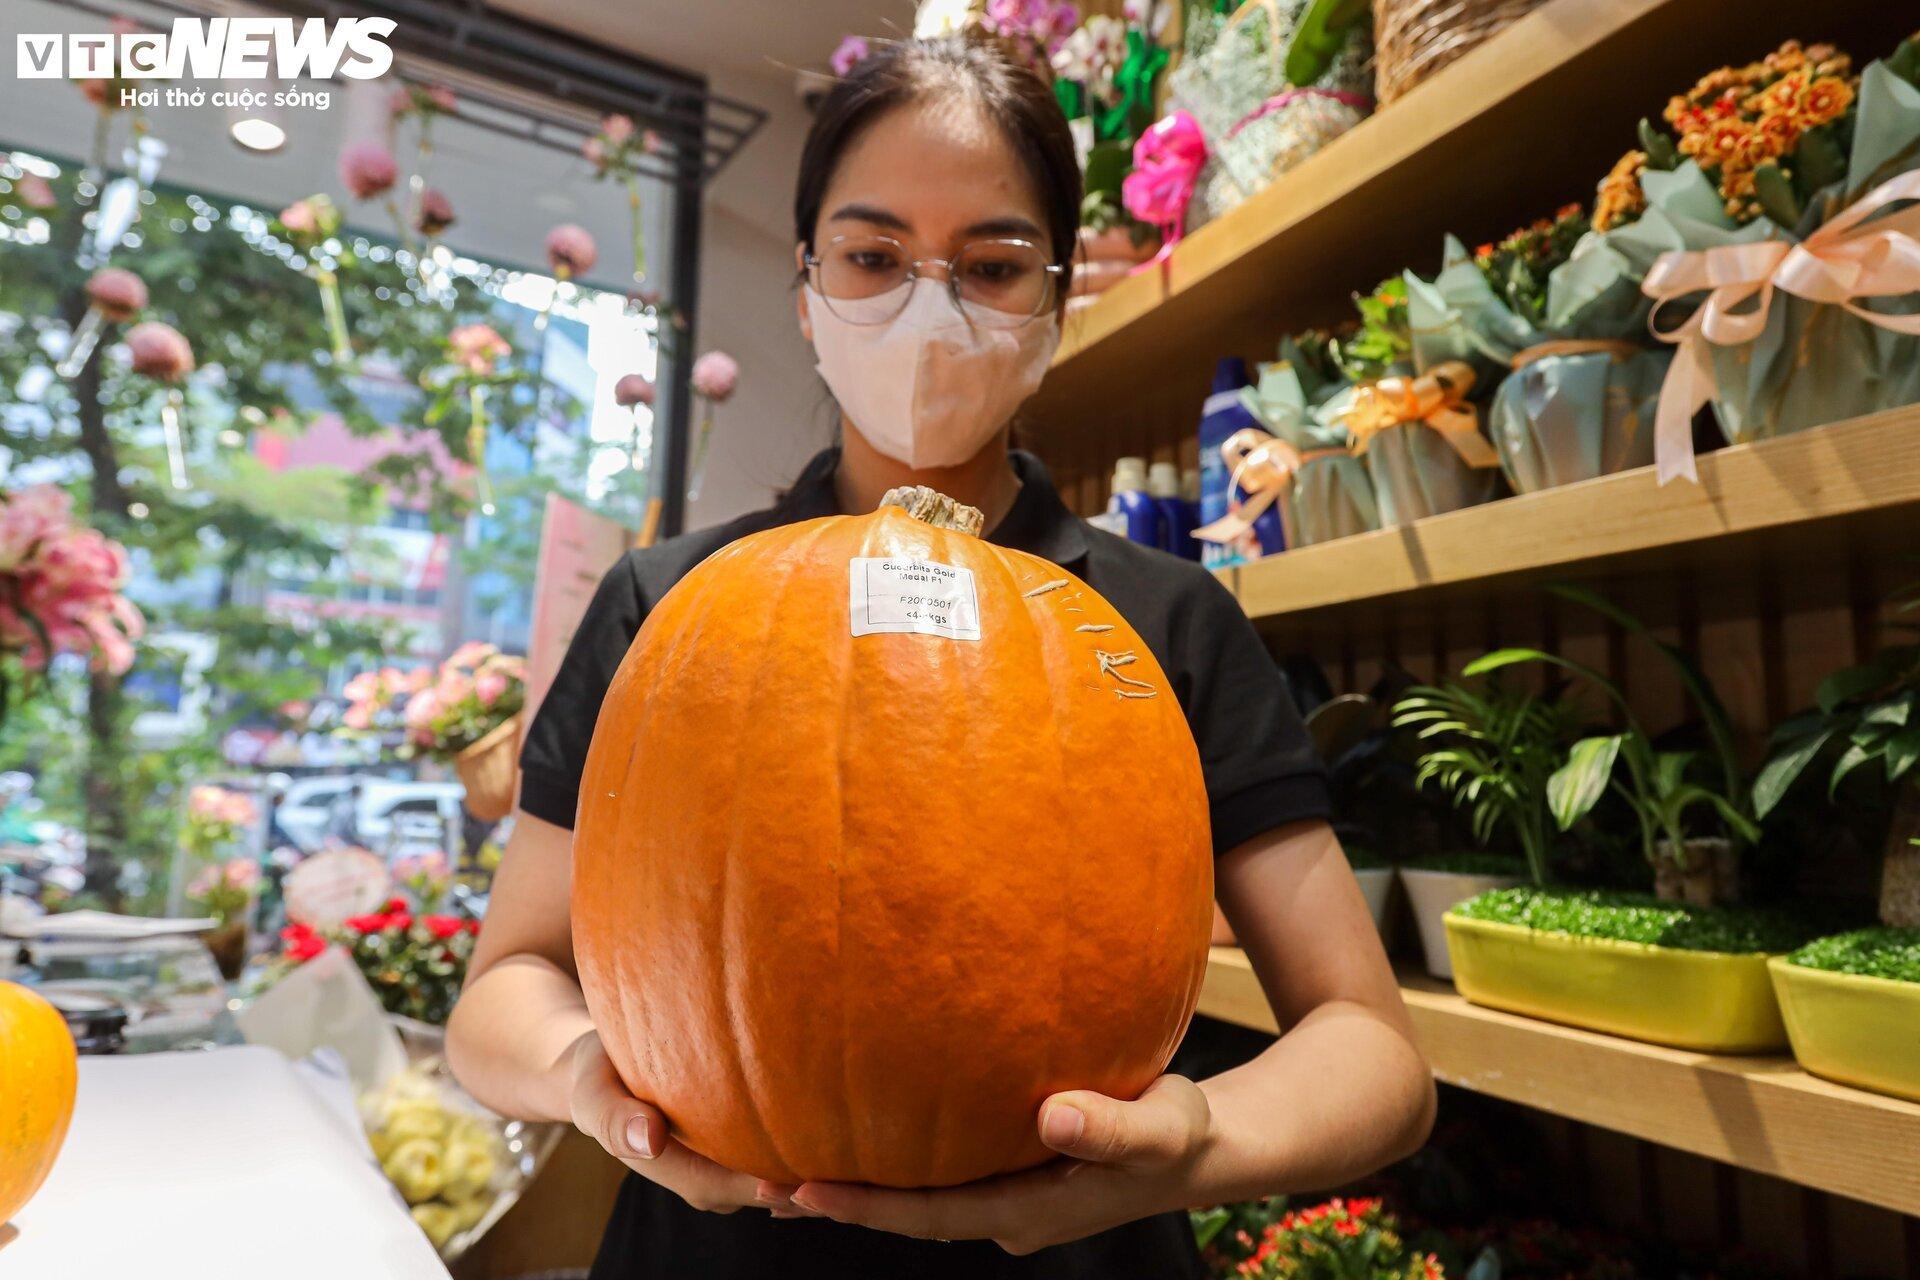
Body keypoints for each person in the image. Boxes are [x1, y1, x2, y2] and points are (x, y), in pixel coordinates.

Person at [446, 33, 1434, 1279]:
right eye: (873, 256)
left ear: (1055, 304)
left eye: (992, 264)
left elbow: (1374, 1050)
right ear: (808, 294)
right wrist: (591, 1074)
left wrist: (1203, 1133)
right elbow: (503, 991)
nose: (932, 302)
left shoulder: (1165, 621)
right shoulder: (668, 599)